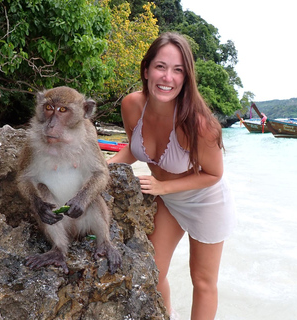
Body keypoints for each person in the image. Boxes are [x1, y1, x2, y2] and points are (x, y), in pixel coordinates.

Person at [107, 32, 235, 319]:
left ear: (186, 77)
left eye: (178, 70)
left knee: (202, 282)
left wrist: (163, 187)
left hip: (206, 202)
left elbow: (214, 174)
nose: (168, 77)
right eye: (161, 66)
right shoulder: (131, 105)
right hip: (168, 197)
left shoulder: (200, 125)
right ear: (146, 70)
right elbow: (134, 148)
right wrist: (104, 167)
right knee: (153, 269)